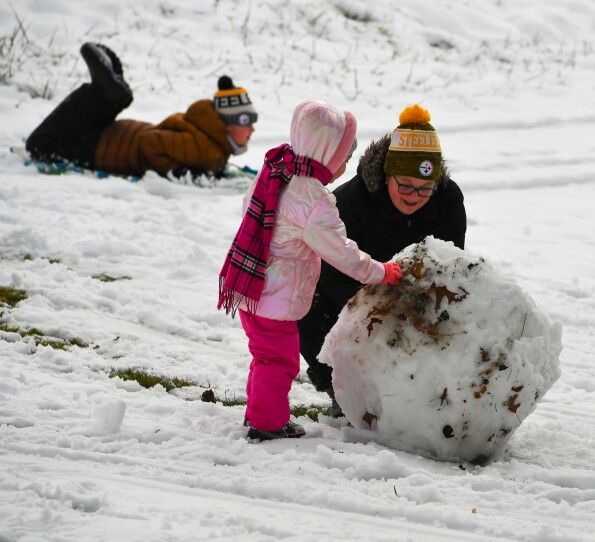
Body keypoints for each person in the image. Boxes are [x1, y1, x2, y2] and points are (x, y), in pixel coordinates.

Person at [217, 99, 402, 442]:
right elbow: (341, 252)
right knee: (279, 362)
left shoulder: (274, 170)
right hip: (276, 298)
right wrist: (379, 272)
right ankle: (266, 424)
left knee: (264, 356)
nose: (344, 165)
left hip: (250, 282)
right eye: (343, 158)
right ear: (327, 155)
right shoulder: (313, 199)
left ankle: (259, 413)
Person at [298, 104, 467, 417]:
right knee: (305, 301)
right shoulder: (349, 201)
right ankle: (341, 392)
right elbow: (324, 270)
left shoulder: (448, 201)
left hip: (415, 303)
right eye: (405, 185)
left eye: (425, 189)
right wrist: (372, 305)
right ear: (387, 175)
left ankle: (428, 397)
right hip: (351, 296)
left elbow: (453, 267)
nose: (414, 196)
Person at [25, 42, 256, 179]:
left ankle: (109, 96)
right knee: (39, 146)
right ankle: (105, 93)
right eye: (246, 121)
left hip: (115, 135)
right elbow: (150, 143)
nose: (252, 129)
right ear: (227, 123)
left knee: (82, 122)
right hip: (103, 149)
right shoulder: (208, 149)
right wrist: (175, 172)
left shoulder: (204, 130)